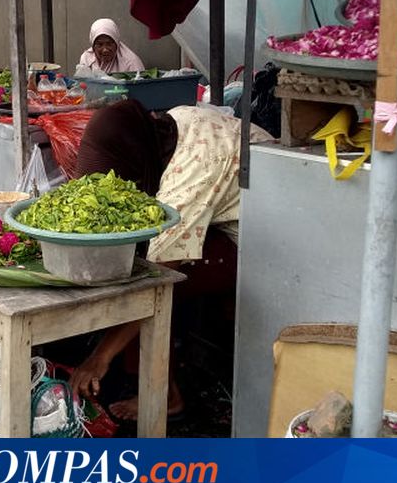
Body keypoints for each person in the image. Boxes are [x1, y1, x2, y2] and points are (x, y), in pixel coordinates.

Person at [67, 100, 273, 421]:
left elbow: (159, 279)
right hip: (234, 210)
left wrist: (99, 357)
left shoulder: (189, 176)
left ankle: (165, 394)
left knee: (146, 281)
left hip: (270, 247)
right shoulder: (166, 126)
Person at [77, 18, 145, 75]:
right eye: (100, 44)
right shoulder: (87, 58)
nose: (105, 50)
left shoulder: (131, 63)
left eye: (109, 44)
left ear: (116, 43)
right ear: (93, 46)